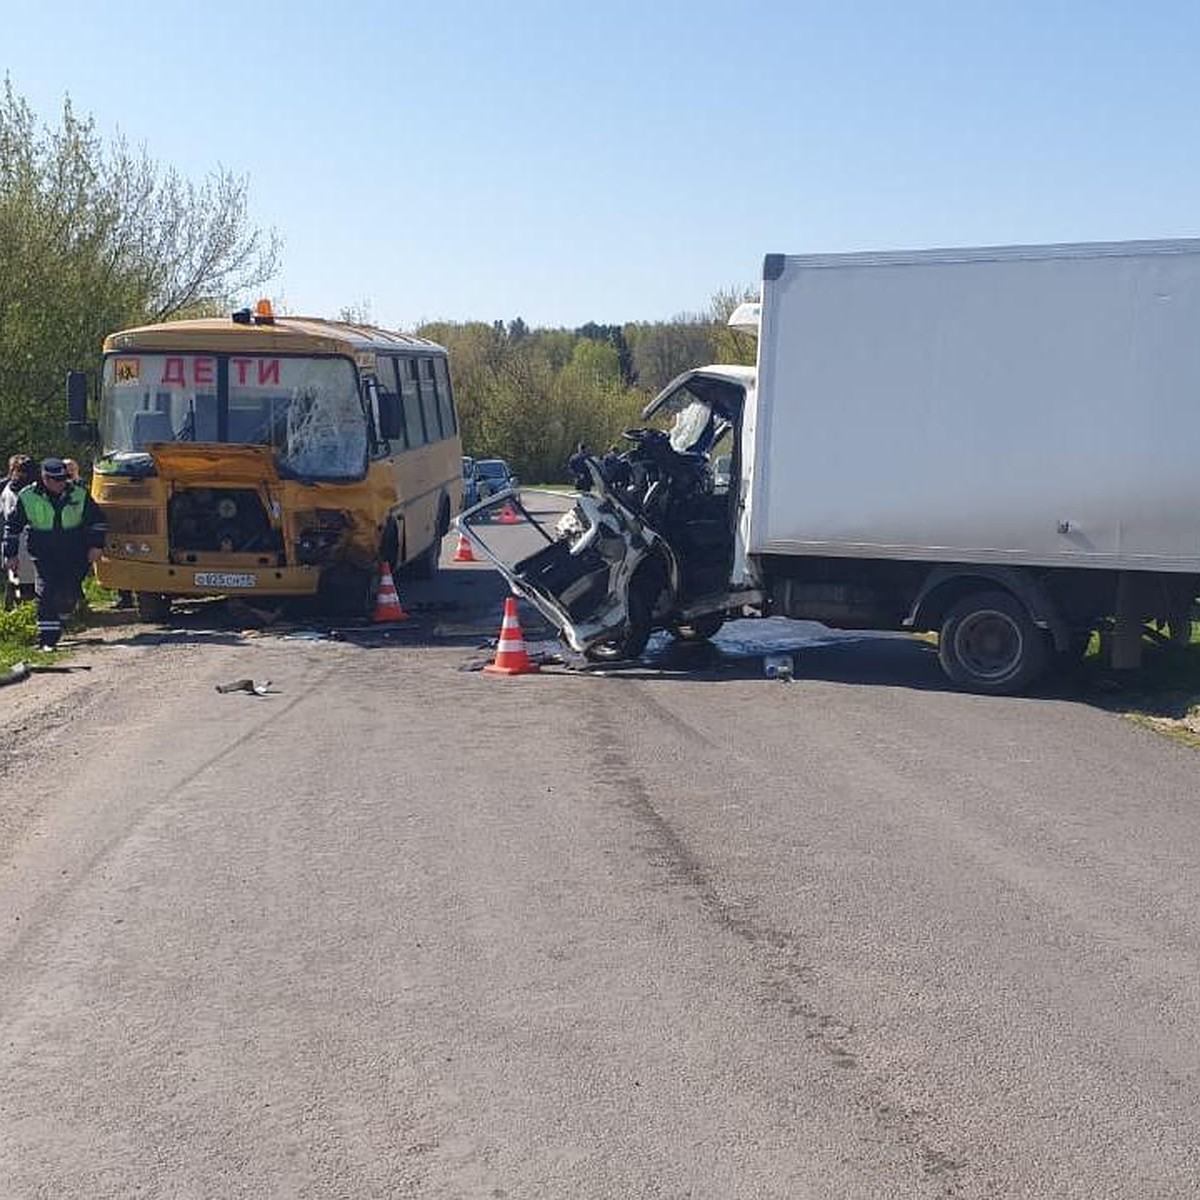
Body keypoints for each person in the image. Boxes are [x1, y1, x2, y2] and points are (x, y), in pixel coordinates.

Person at [2, 457, 106, 651]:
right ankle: (47, 640)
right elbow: (12, 527)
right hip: (43, 552)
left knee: (69, 592)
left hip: (75, 551)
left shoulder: (78, 493)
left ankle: (59, 622)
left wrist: (96, 546)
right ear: (45, 478)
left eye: (63, 479)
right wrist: (11, 554)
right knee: (46, 591)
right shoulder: (28, 496)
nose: (61, 484)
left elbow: (97, 521)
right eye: (56, 480)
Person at [1, 455, 38, 610]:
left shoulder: (37, 490)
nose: (22, 475)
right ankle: (14, 614)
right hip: (12, 539)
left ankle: (29, 614)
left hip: (32, 541)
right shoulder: (5, 487)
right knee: (14, 580)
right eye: (19, 471)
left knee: (31, 582)